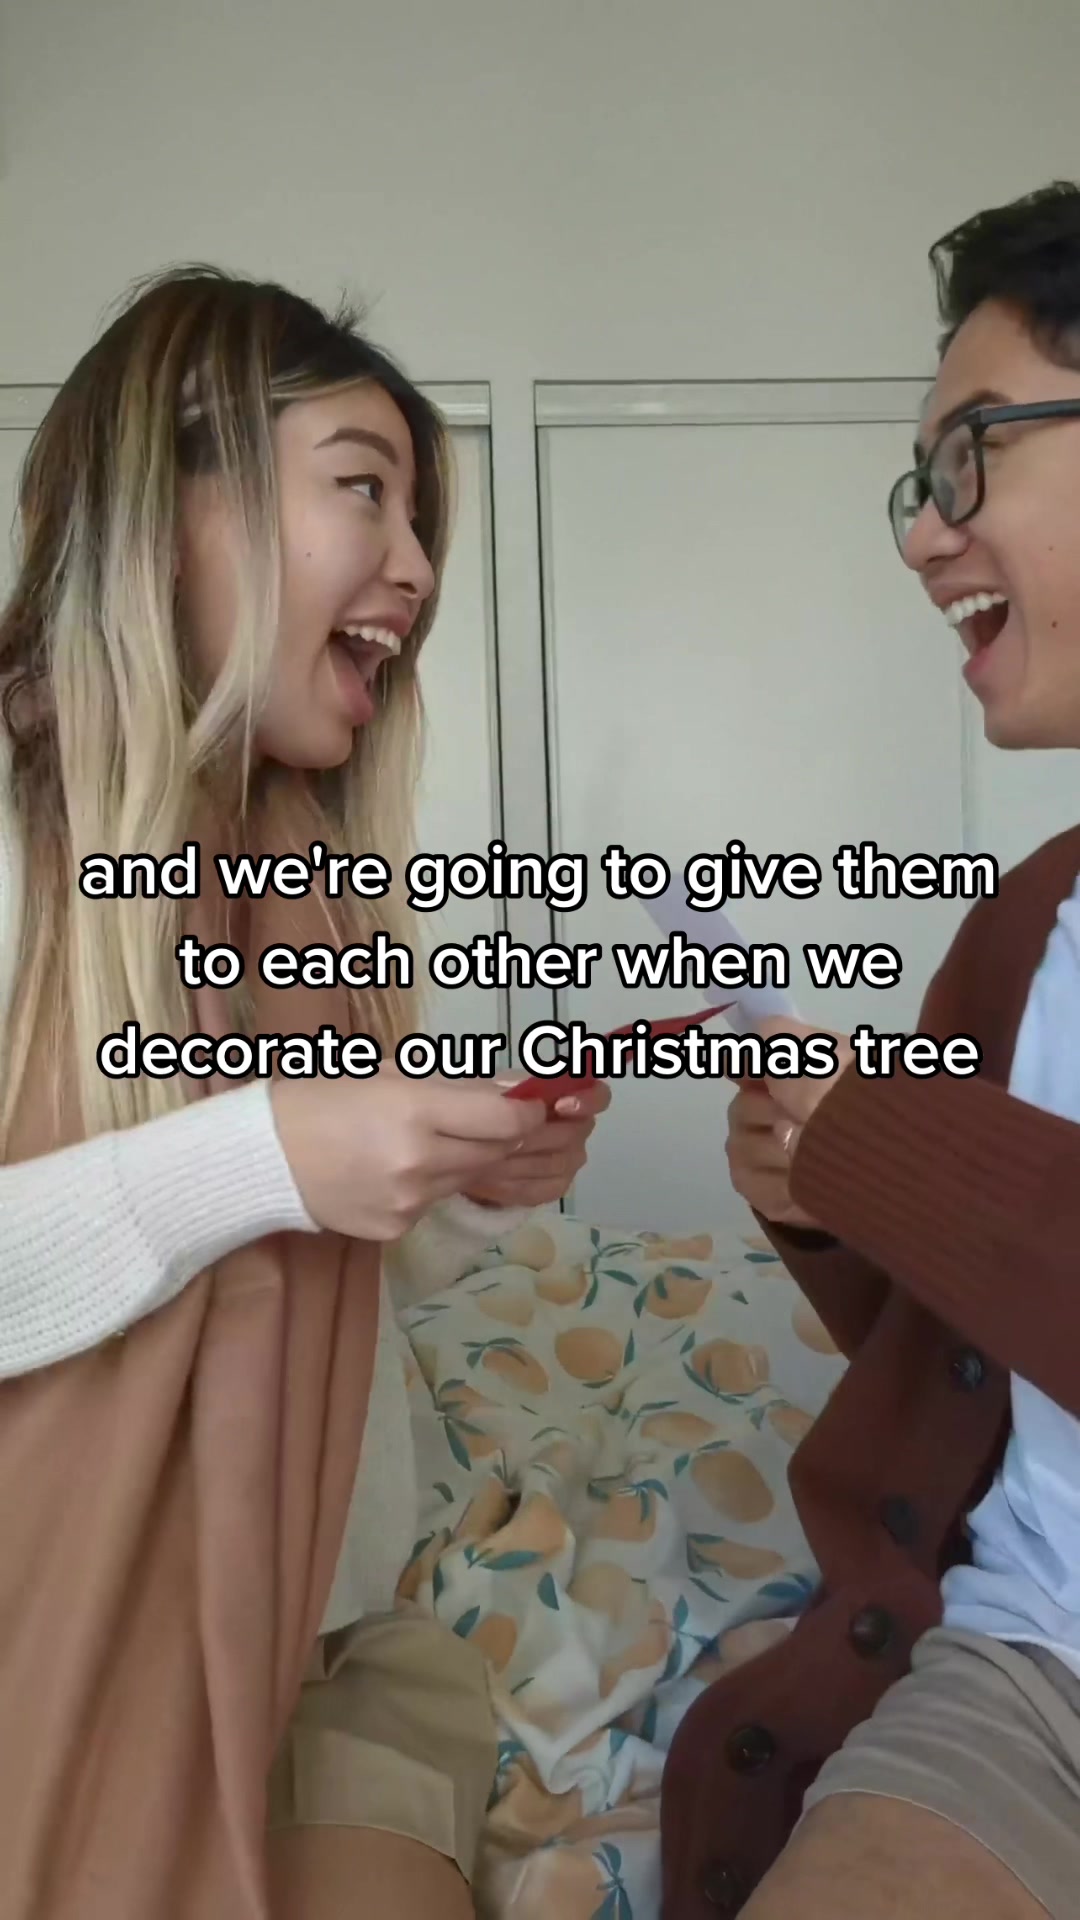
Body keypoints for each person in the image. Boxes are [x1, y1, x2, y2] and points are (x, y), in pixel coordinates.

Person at [0, 266, 609, 1916]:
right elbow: (237, 1188)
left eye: (420, 519)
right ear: (171, 506)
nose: (416, 568)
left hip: (335, 1642)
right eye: (363, 489)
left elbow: (331, 1278)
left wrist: (467, 1184)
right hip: (63, 1645)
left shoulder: (313, 878)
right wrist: (260, 1154)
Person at [660, 181, 1080, 1920]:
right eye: (919, 483)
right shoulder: (1030, 921)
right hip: (1035, 1682)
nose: (923, 537)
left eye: (971, 455)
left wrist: (895, 1148)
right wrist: (831, 1206)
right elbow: (970, 1368)